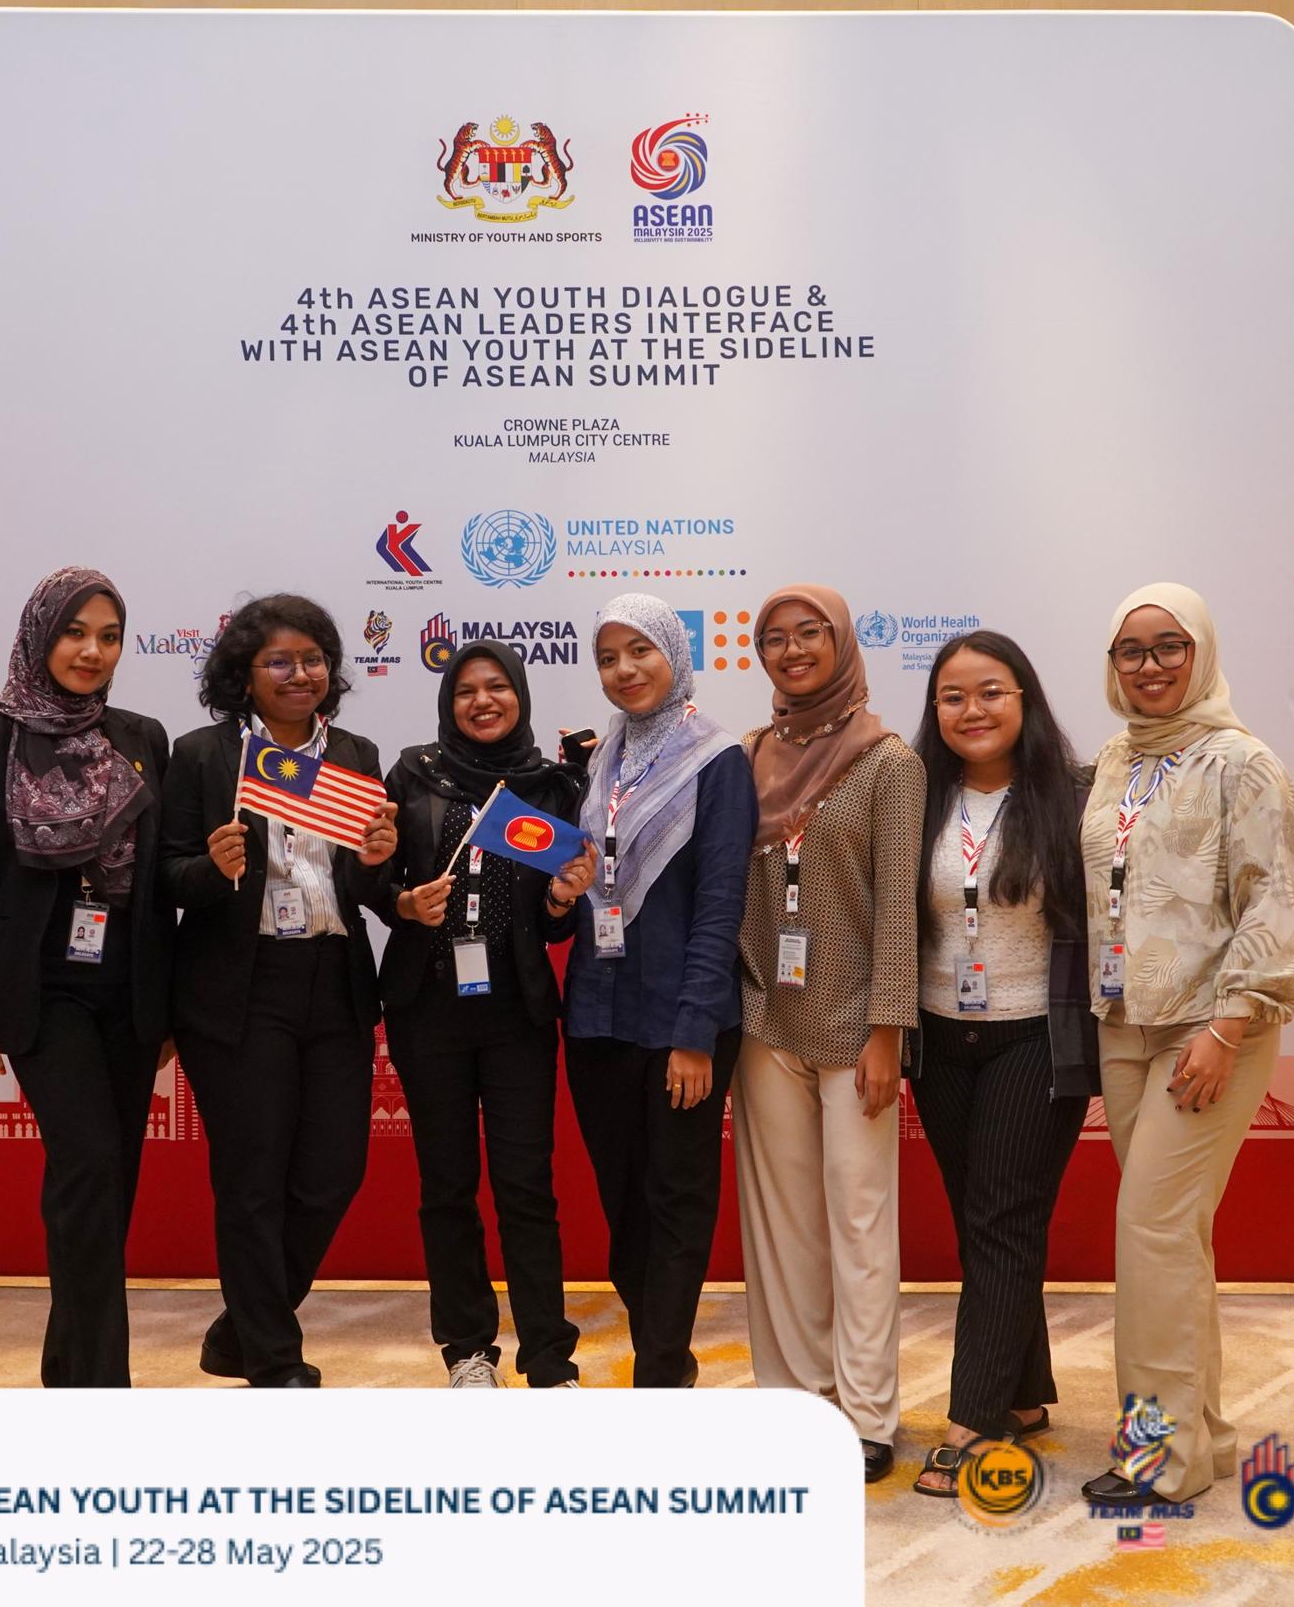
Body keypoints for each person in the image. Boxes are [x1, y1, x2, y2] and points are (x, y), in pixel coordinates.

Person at [1077, 583, 1294, 1507]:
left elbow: (1269, 903)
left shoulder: (1242, 763)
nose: (1151, 666)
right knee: (1174, 1240)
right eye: (1131, 650)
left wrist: (1228, 1025)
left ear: (1200, 652)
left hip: (1211, 1028)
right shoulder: (1114, 761)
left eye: (1170, 646)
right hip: (1124, 1023)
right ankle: (1203, 1434)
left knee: (1152, 1232)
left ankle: (1157, 1457)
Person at [0, 566, 172, 1387]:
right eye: (75, 632)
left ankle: (68, 1368)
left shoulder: (143, 737)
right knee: (89, 1166)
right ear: (40, 635)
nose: (91, 651)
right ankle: (103, 1383)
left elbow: (159, 882)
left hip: (129, 991)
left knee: (107, 1186)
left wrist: (167, 1008)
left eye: (109, 636)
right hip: (41, 992)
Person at [160, 594, 398, 1388]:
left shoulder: (355, 754)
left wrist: (379, 860)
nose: (301, 674)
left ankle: (240, 1328)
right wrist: (210, 866)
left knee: (334, 1172)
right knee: (253, 1178)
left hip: (335, 978)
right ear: (245, 674)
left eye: (313, 659)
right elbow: (166, 876)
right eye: (279, 662)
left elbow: (366, 888)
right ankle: (272, 1357)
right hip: (240, 986)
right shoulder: (204, 755)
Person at [728, 586, 920, 1482]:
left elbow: (899, 908)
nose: (793, 649)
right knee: (783, 1228)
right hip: (765, 1014)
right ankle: (799, 1402)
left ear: (841, 643)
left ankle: (868, 1415)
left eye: (811, 634)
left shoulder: (887, 761)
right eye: (775, 638)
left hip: (854, 1025)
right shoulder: (746, 757)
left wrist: (889, 1031)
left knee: (858, 1218)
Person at [904, 631, 1097, 1499]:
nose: (971, 710)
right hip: (941, 1039)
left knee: (1003, 1220)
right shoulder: (915, 795)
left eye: (991, 692)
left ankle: (975, 1418)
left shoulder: (1073, 795)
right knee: (982, 1221)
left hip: (1035, 1037)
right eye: (953, 696)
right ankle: (1023, 1392)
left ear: (1024, 700)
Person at [377, 641, 599, 1389]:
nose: (482, 701)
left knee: (525, 1187)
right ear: (448, 703)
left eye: (497, 686)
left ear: (520, 696)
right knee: (447, 1187)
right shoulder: (413, 773)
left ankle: (548, 1357)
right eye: (466, 690)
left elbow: (555, 924)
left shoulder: (547, 788)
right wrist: (403, 902)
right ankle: (467, 1351)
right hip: (428, 1010)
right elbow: (373, 877)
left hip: (516, 1014)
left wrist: (562, 900)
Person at [561, 592, 755, 1389]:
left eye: (640, 650)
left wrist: (695, 1032)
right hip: (597, 1015)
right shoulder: (599, 761)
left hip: (680, 1017)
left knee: (676, 1200)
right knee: (624, 1205)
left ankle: (660, 1376)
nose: (625, 669)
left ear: (675, 654)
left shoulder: (719, 760)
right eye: (608, 657)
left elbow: (720, 903)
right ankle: (665, 1360)